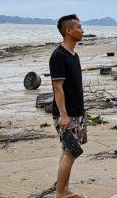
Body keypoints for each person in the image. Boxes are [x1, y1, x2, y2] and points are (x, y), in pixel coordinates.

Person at [49, 14, 87, 198]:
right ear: (68, 31)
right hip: (67, 114)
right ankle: (60, 194)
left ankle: (64, 189)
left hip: (77, 112)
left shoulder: (74, 55)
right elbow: (57, 87)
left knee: (67, 152)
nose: (82, 30)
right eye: (79, 27)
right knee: (71, 152)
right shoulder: (58, 56)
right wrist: (63, 114)